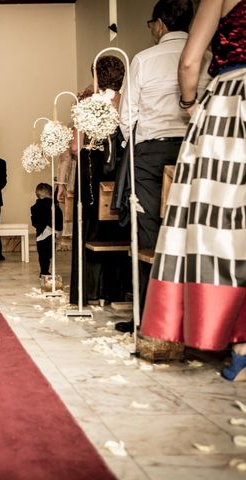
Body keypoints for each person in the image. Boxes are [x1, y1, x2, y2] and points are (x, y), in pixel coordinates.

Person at [140, 0, 246, 380]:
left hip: (234, 101)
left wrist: (190, 105)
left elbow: (190, 62)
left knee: (224, 218)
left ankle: (240, 344)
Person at [115, 0, 211, 333]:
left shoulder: (143, 59)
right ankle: (198, 316)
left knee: (148, 233)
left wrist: (135, 148)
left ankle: (150, 316)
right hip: (194, 149)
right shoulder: (208, 56)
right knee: (195, 229)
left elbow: (126, 117)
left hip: (151, 154)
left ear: (159, 25)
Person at [68, 56, 129, 306]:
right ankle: (116, 290)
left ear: (95, 74)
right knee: (117, 226)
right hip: (120, 169)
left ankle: (89, 290)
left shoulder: (88, 101)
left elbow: (74, 146)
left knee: (89, 222)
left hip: (92, 167)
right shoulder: (126, 99)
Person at [31, 183, 63, 277]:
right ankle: (45, 271)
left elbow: (35, 221)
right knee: (48, 254)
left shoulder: (35, 207)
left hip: (40, 234)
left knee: (42, 255)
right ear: (49, 194)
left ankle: (43, 271)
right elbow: (58, 217)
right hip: (50, 232)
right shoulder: (51, 205)